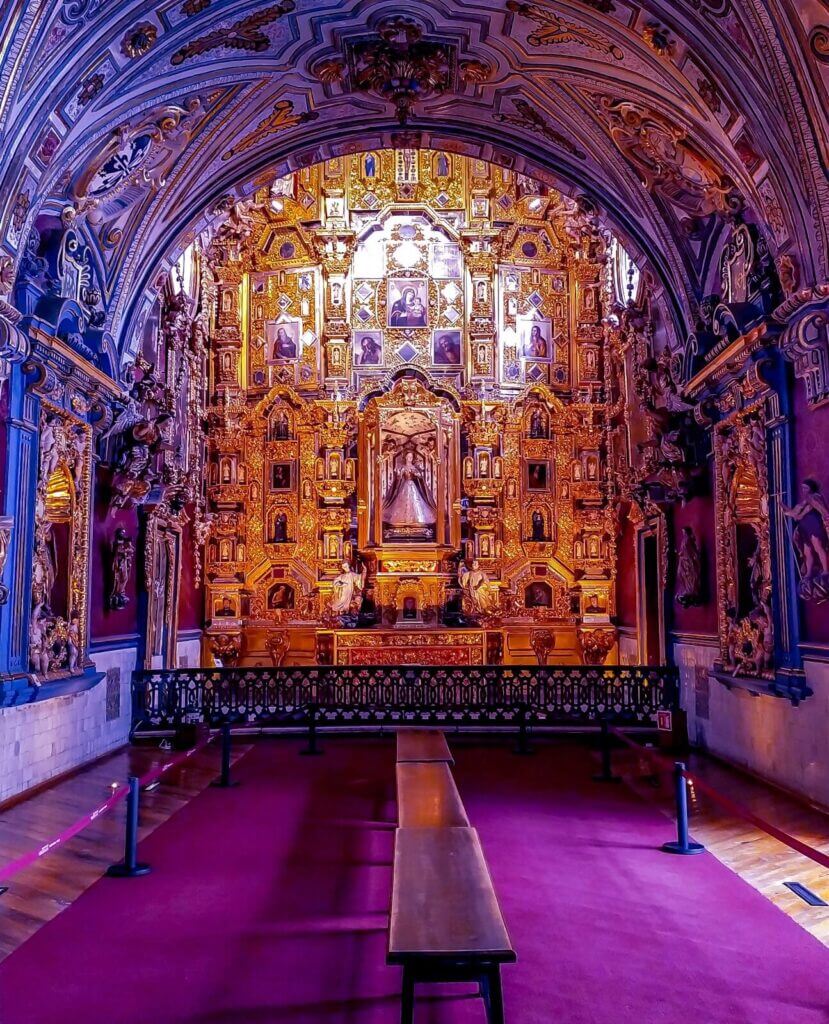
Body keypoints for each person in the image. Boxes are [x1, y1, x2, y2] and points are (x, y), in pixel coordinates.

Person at [383, 450, 436, 529]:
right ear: (405, 458)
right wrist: (399, 474)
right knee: (402, 502)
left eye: (411, 457)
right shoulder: (402, 467)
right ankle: (402, 521)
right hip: (405, 486)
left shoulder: (414, 467)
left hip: (412, 486)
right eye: (408, 457)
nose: (409, 458)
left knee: (415, 502)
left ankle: (416, 520)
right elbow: (398, 478)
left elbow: (420, 477)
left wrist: (416, 474)